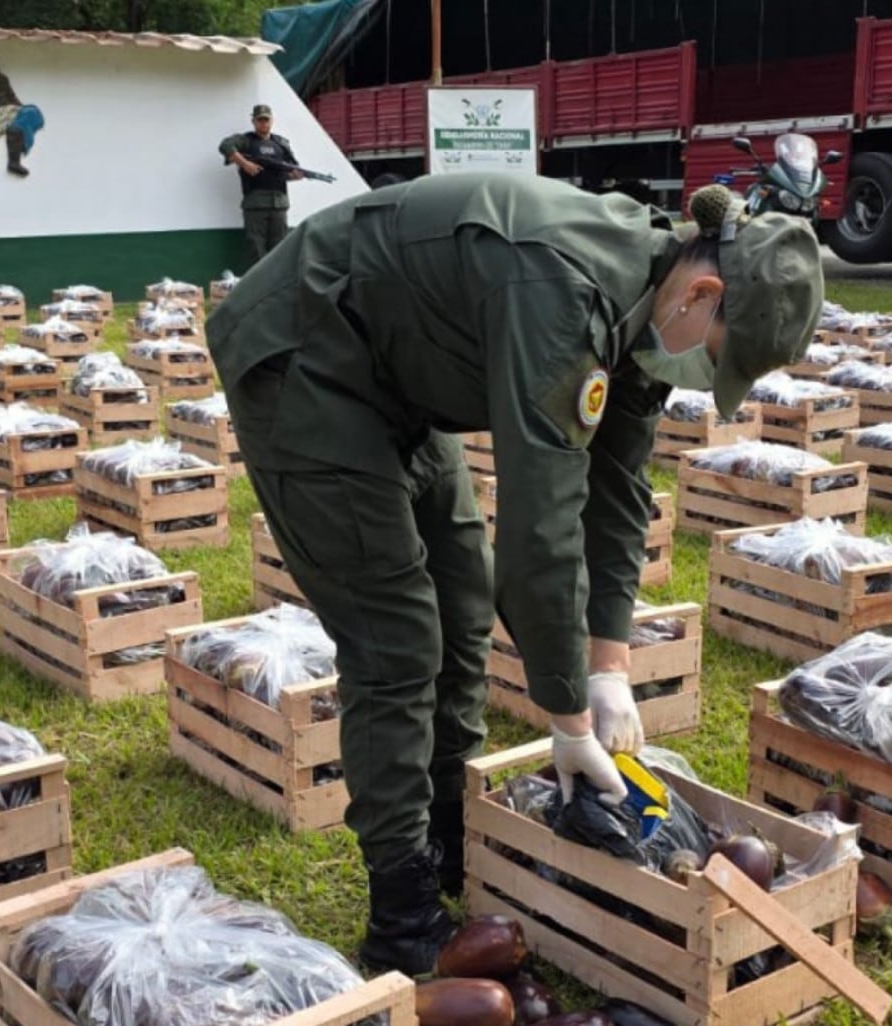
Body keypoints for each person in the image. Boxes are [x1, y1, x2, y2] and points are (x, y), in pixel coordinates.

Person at [205, 177, 823, 976]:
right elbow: (541, 527)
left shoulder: (649, 313)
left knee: (463, 598)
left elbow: (619, 495)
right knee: (396, 636)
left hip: (396, 372)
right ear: (702, 295)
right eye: (717, 358)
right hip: (306, 352)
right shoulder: (563, 294)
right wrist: (568, 719)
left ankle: (452, 832)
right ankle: (401, 905)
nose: (705, 375)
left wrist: (609, 668)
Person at [218, 105, 303, 266]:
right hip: (255, 202)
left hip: (279, 203)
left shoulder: (281, 143)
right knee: (256, 249)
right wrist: (244, 164)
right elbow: (225, 146)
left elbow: (291, 169)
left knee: (279, 249)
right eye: (260, 120)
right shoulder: (246, 140)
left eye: (266, 119)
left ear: (272, 120)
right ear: (254, 121)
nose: (264, 123)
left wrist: (294, 176)